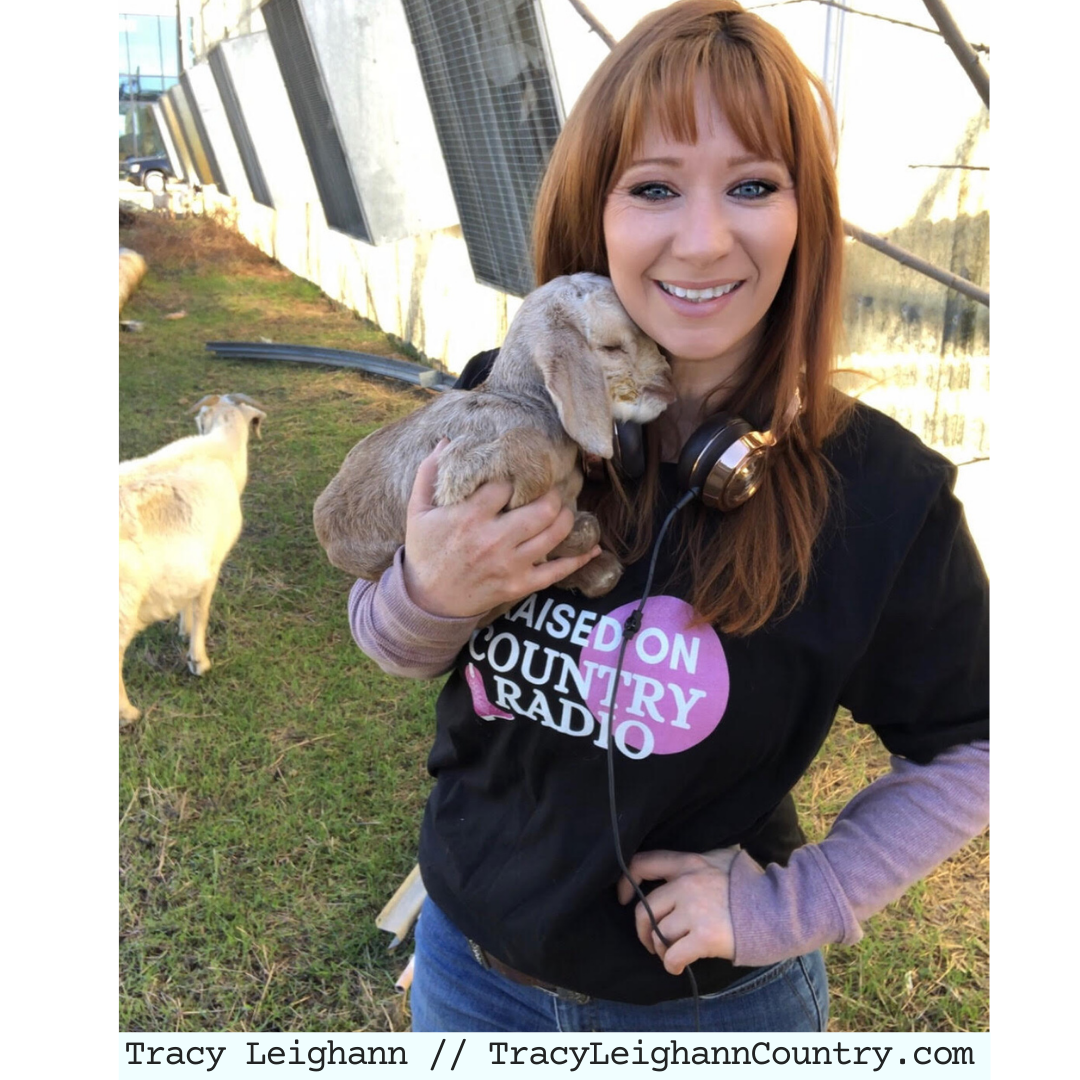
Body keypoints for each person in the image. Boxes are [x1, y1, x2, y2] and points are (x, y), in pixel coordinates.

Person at [347, 0, 988, 1032]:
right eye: (652, 187)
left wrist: (793, 904)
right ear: (593, 214)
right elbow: (385, 631)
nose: (701, 240)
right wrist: (429, 597)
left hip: (709, 1016)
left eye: (751, 185)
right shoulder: (498, 410)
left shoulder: (885, 495)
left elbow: (983, 746)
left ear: (805, 215)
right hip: (467, 972)